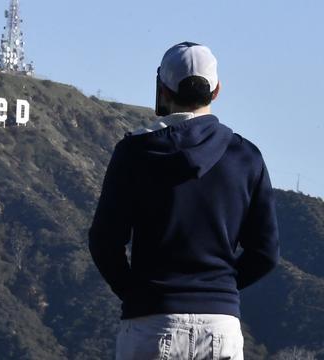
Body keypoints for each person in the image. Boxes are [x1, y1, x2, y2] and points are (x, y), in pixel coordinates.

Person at [88, 42, 279, 359]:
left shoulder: (135, 153)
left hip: (152, 323)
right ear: (216, 90)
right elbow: (266, 252)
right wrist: (220, 288)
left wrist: (137, 293)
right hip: (220, 327)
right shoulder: (246, 157)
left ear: (163, 90)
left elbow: (104, 242)